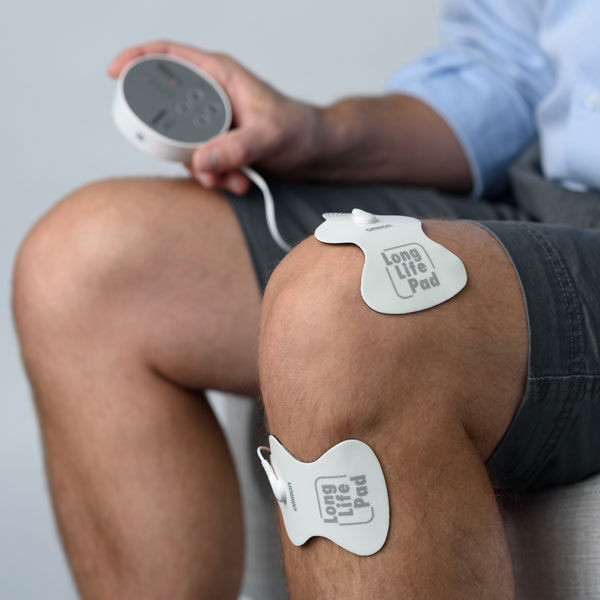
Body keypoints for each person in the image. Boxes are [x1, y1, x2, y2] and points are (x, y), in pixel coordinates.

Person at [12, 1, 600, 598]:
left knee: (348, 315)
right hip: (546, 196)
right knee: (82, 263)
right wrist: (321, 131)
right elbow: (507, 72)